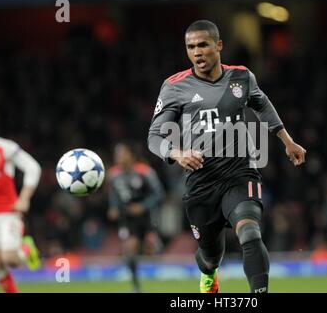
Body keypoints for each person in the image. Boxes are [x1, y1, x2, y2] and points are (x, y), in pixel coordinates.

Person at [148, 20, 306, 293]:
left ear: (218, 45)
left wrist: (287, 140)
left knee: (250, 233)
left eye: (203, 45)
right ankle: (209, 274)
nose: (197, 52)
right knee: (211, 257)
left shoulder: (242, 77)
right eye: (191, 47)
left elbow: (261, 103)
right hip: (201, 182)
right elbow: (154, 137)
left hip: (239, 173)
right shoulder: (174, 87)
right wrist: (177, 153)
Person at [0, 113, 42, 293]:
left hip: (8, 211)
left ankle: (26, 248)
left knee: (10, 259)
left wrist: (24, 198)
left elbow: (32, 167)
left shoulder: (4, 147)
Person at [107, 141, 165, 293]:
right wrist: (113, 207)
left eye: (122, 153)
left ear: (131, 155)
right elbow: (114, 194)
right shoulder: (113, 175)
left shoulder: (145, 171)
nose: (118, 157)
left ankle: (153, 239)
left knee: (151, 250)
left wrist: (143, 206)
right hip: (128, 219)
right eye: (116, 154)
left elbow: (159, 194)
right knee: (129, 250)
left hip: (148, 216)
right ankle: (136, 286)